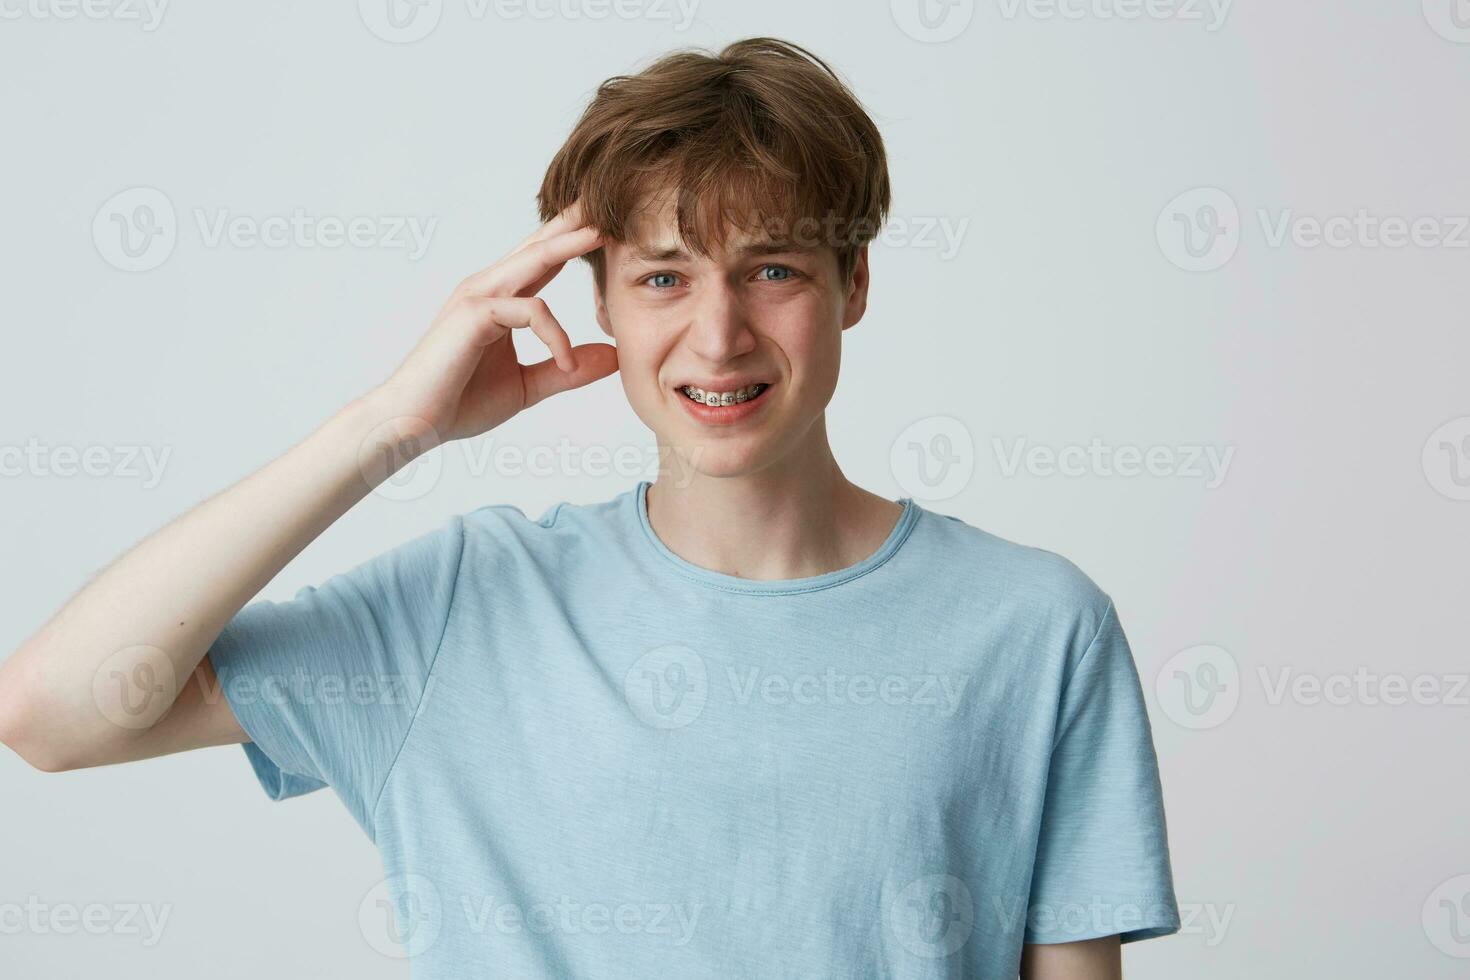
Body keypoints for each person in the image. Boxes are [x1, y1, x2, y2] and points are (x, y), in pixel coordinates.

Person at [0, 37, 1178, 979]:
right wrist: (385, 430)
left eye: (771, 267)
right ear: (597, 295)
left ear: (853, 283)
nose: (718, 334)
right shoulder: (467, 605)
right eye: (663, 275)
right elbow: (52, 711)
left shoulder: (1034, 626)